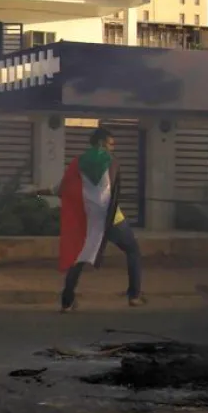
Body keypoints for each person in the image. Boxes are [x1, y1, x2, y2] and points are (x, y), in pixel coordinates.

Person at [56, 127, 145, 311]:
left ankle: (67, 301)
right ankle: (134, 296)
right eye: (111, 144)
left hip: (89, 222)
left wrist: (41, 194)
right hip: (112, 220)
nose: (113, 148)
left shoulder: (78, 163)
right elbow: (113, 192)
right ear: (101, 143)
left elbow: (61, 189)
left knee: (79, 258)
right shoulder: (111, 162)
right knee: (133, 251)